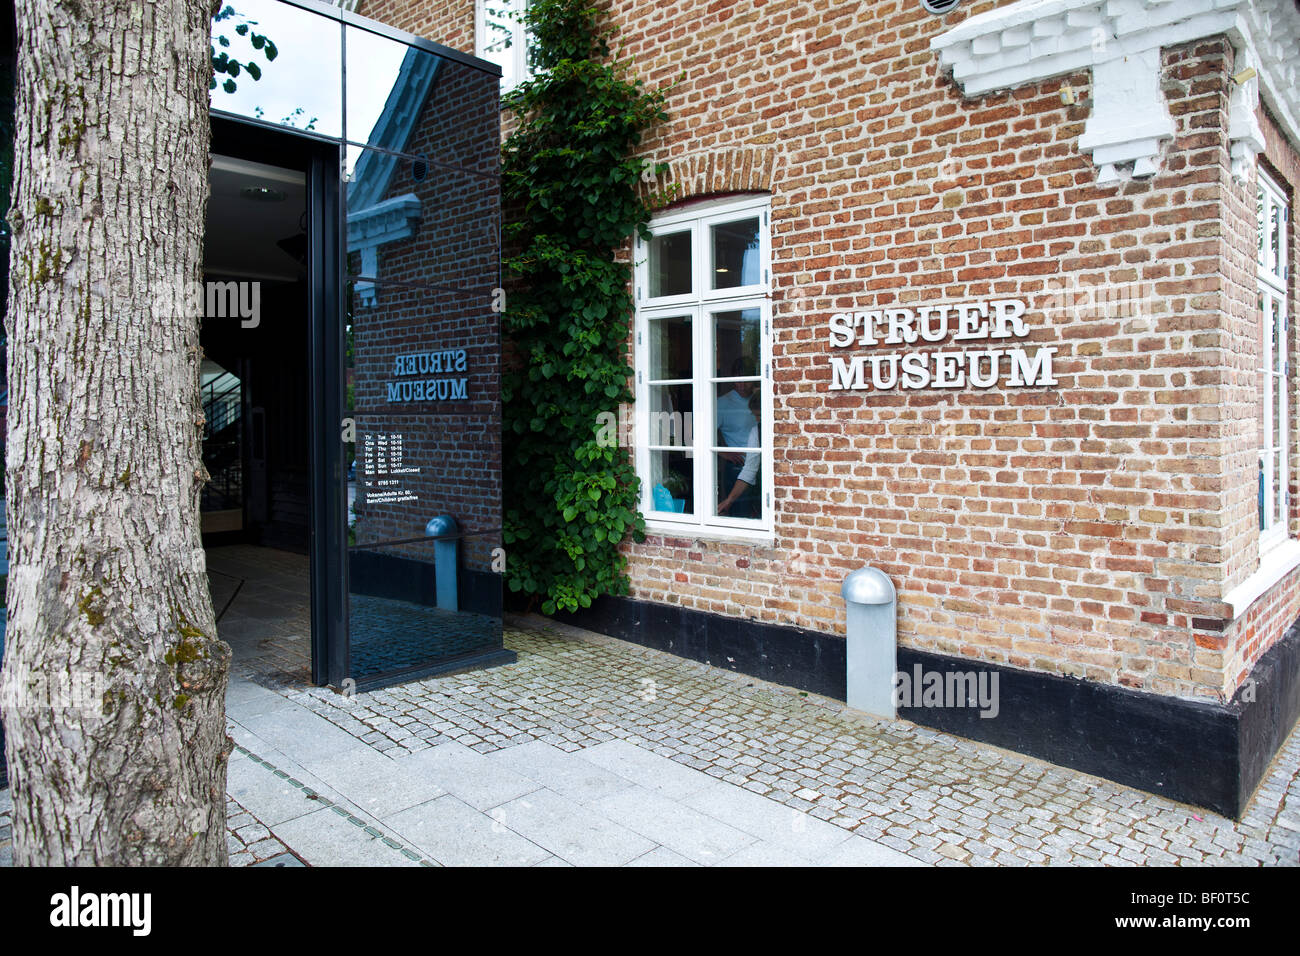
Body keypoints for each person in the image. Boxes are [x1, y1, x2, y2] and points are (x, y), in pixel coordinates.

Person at [718, 389, 761, 517]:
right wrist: (729, 501)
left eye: (760, 416)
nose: (757, 420)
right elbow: (750, 469)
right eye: (755, 416)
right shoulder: (756, 432)